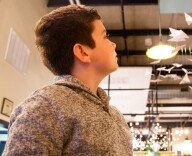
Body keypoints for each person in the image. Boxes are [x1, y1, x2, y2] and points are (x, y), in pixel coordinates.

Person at [3, 5, 132, 155]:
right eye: (105, 36)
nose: (113, 44)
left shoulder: (116, 115)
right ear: (82, 52)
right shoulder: (44, 107)